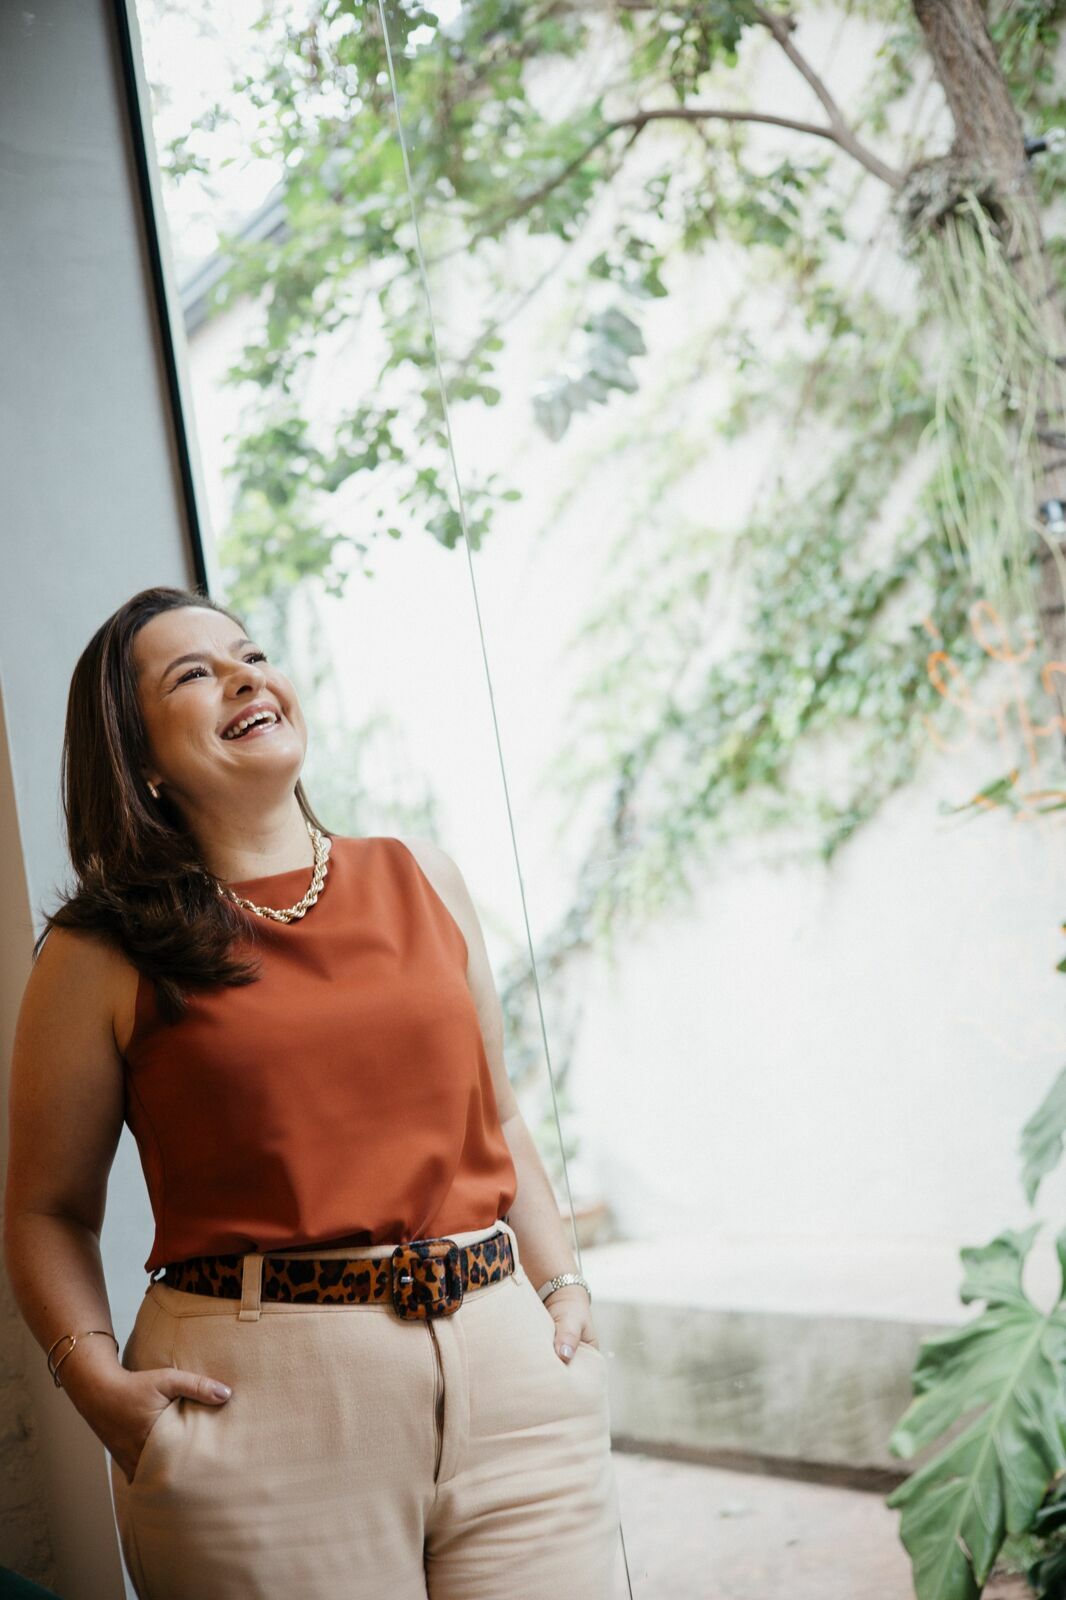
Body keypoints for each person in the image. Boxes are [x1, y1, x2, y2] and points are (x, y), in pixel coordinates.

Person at [4, 585, 620, 1599]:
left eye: (249, 653)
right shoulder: (98, 951)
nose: (244, 675)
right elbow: (44, 1208)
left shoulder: (425, 875)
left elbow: (498, 1113)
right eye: (193, 674)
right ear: (142, 763)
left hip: (513, 1387)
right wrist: (98, 1384)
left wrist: (565, 1291)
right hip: (262, 1422)